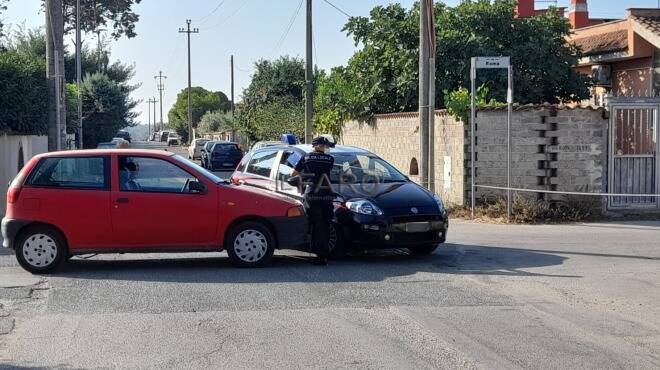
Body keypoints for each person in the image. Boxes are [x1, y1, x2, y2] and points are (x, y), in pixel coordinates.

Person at [292, 136, 335, 265]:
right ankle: (325, 254)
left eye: (325, 145)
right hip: (327, 193)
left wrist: (304, 180)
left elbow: (294, 174)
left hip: (312, 194)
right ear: (318, 146)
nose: (325, 147)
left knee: (316, 224)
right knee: (326, 223)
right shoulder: (330, 159)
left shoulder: (305, 157)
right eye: (323, 145)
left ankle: (318, 255)